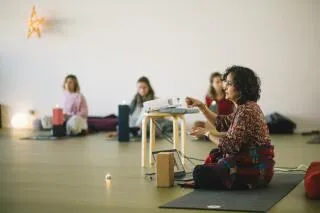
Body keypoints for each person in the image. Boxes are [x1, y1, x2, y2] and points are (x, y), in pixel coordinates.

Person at [186, 65, 275, 190]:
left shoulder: (246, 111)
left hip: (255, 170)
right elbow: (221, 123)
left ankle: (241, 180)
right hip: (257, 167)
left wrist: (207, 134)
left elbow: (230, 146)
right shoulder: (245, 107)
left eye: (229, 83)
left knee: (199, 173)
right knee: (212, 159)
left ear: (241, 87)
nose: (224, 87)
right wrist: (202, 106)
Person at [193, 72, 234, 139]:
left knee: (230, 130)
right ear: (212, 84)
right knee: (197, 124)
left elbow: (235, 111)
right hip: (214, 123)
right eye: (217, 82)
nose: (220, 84)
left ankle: (211, 135)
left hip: (226, 124)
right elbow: (207, 113)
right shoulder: (208, 97)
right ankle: (215, 135)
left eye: (221, 81)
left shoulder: (229, 94)